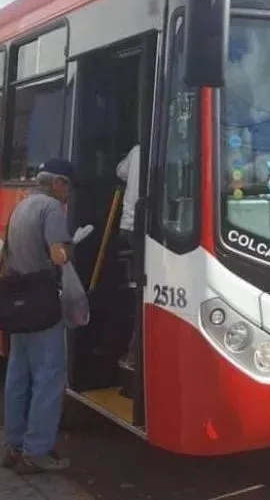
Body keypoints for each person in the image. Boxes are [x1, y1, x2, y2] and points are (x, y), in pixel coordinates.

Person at [0, 158, 78, 475]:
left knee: (18, 375)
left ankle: (14, 445)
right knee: (48, 377)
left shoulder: (22, 206)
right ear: (58, 182)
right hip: (42, 301)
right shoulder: (51, 209)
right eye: (67, 185)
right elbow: (58, 255)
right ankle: (37, 451)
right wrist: (72, 249)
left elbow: (4, 254)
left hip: (17, 302)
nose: (68, 193)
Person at [115, 144, 140, 372]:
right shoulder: (172, 146)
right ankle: (134, 356)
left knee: (138, 292)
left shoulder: (135, 150)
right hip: (144, 228)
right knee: (143, 297)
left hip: (128, 225)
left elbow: (120, 172)